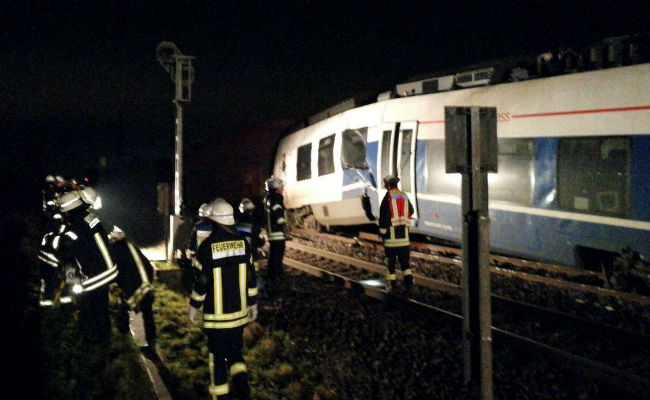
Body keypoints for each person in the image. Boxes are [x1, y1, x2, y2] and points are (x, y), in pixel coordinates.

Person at [188, 198, 258, 400]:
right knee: (236, 355)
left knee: (217, 358)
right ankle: (243, 393)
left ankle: (221, 396)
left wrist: (194, 306)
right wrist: (253, 304)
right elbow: (251, 279)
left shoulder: (207, 247)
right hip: (239, 316)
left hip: (216, 319)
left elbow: (201, 282)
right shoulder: (244, 245)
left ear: (214, 220)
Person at [55, 189, 118, 342]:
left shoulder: (72, 230)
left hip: (92, 277)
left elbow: (69, 259)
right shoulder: (91, 219)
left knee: (87, 307)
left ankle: (89, 337)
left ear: (68, 211)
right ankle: (104, 337)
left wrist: (71, 283)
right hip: (108, 270)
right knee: (101, 307)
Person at [107, 226, 157, 352]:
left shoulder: (114, 250)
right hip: (145, 285)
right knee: (147, 313)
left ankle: (125, 335)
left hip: (131, 286)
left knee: (124, 307)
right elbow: (148, 266)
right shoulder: (131, 246)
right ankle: (151, 341)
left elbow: (115, 271)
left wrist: (115, 287)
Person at [378, 175, 414, 293]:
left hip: (391, 240)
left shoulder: (387, 198)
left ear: (388, 185)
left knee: (391, 266)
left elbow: (383, 218)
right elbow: (411, 210)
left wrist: (382, 234)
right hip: (404, 238)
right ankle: (409, 285)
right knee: (406, 265)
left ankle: (391, 285)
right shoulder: (403, 195)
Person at [264, 176, 289, 281]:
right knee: (278, 256)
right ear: (276, 188)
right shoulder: (276, 198)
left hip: (271, 233)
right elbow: (279, 215)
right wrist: (284, 227)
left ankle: (272, 275)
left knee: (273, 255)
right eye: (281, 186)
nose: (283, 188)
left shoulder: (268, 198)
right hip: (278, 233)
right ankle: (276, 276)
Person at [236, 198, 265, 272]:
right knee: (253, 271)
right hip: (251, 252)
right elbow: (256, 240)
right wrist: (262, 241)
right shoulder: (254, 222)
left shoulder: (236, 222)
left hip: (239, 253)